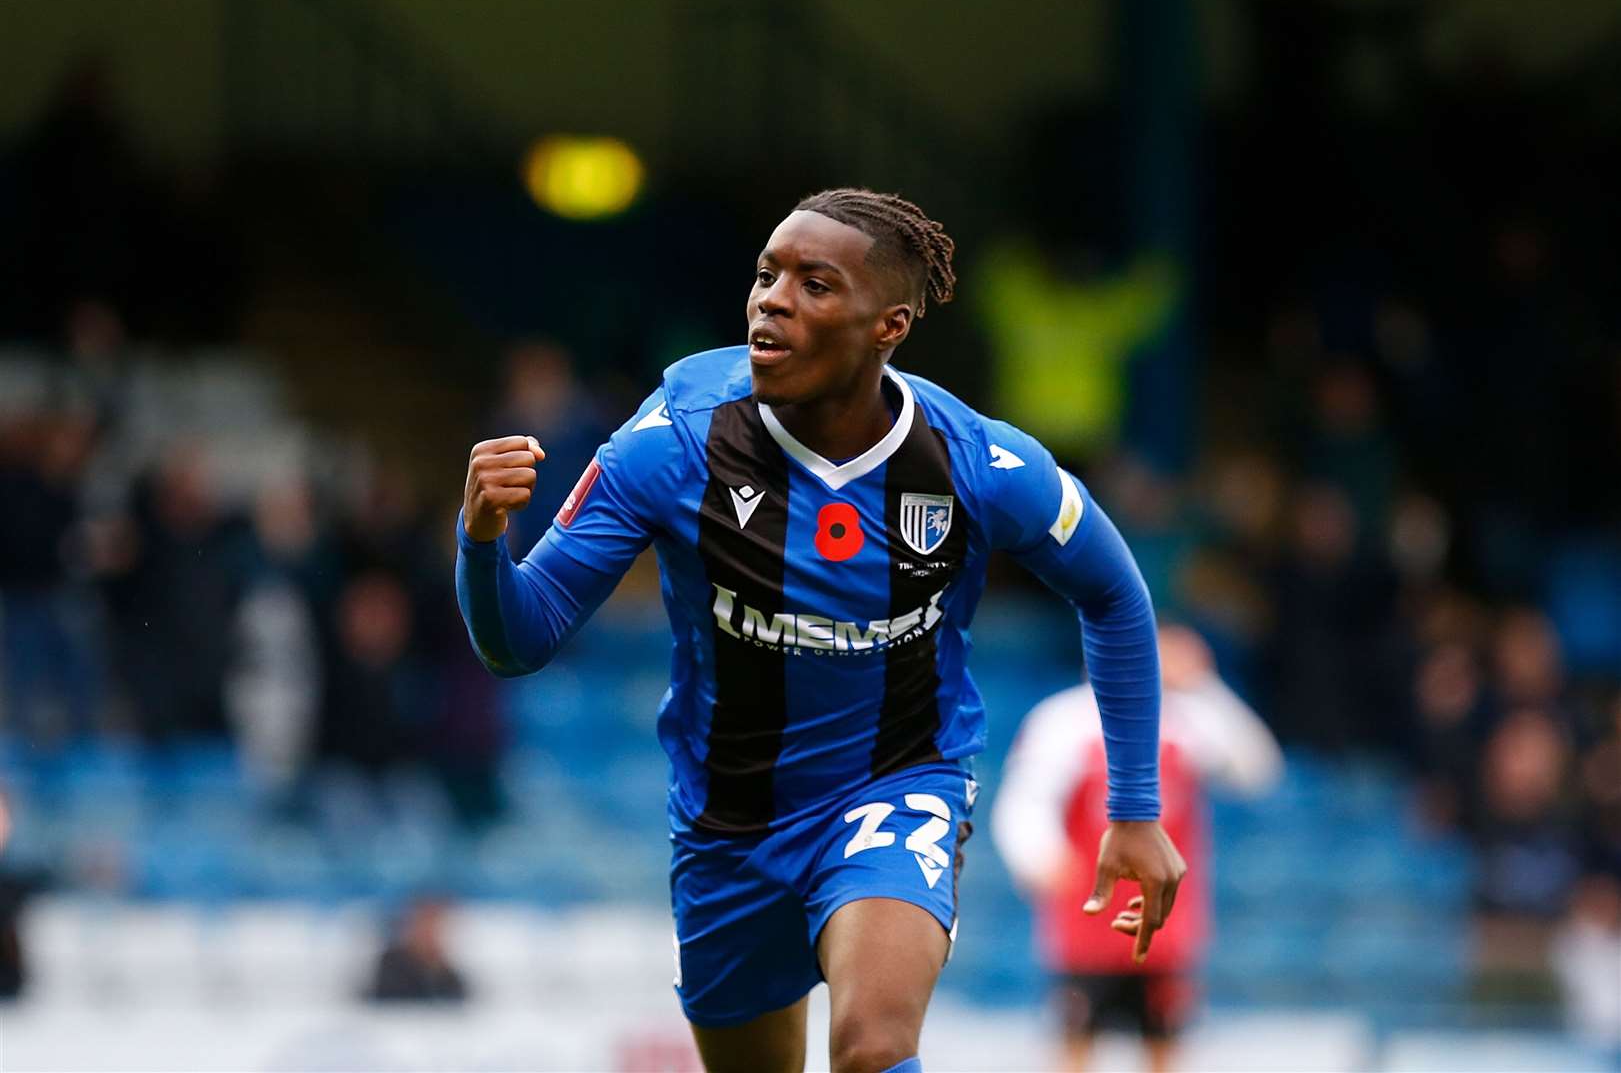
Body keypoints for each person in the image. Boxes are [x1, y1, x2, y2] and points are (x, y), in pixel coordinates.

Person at [456, 189, 1186, 1073]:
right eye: (767, 276)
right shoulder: (676, 439)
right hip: (727, 821)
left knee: (871, 1049)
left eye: (815, 284)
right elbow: (520, 637)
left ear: (889, 325)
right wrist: (484, 542)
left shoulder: (976, 461)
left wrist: (1134, 808)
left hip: (895, 783)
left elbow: (1113, 593)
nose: (772, 298)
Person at [992, 624, 1282, 1072]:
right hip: (1087, 915)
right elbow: (1027, 796)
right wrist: (1035, 854)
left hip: (1167, 918)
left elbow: (1256, 772)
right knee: (1076, 1039)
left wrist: (1205, 684)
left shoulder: (1188, 719)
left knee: (1164, 1040)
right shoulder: (1065, 720)